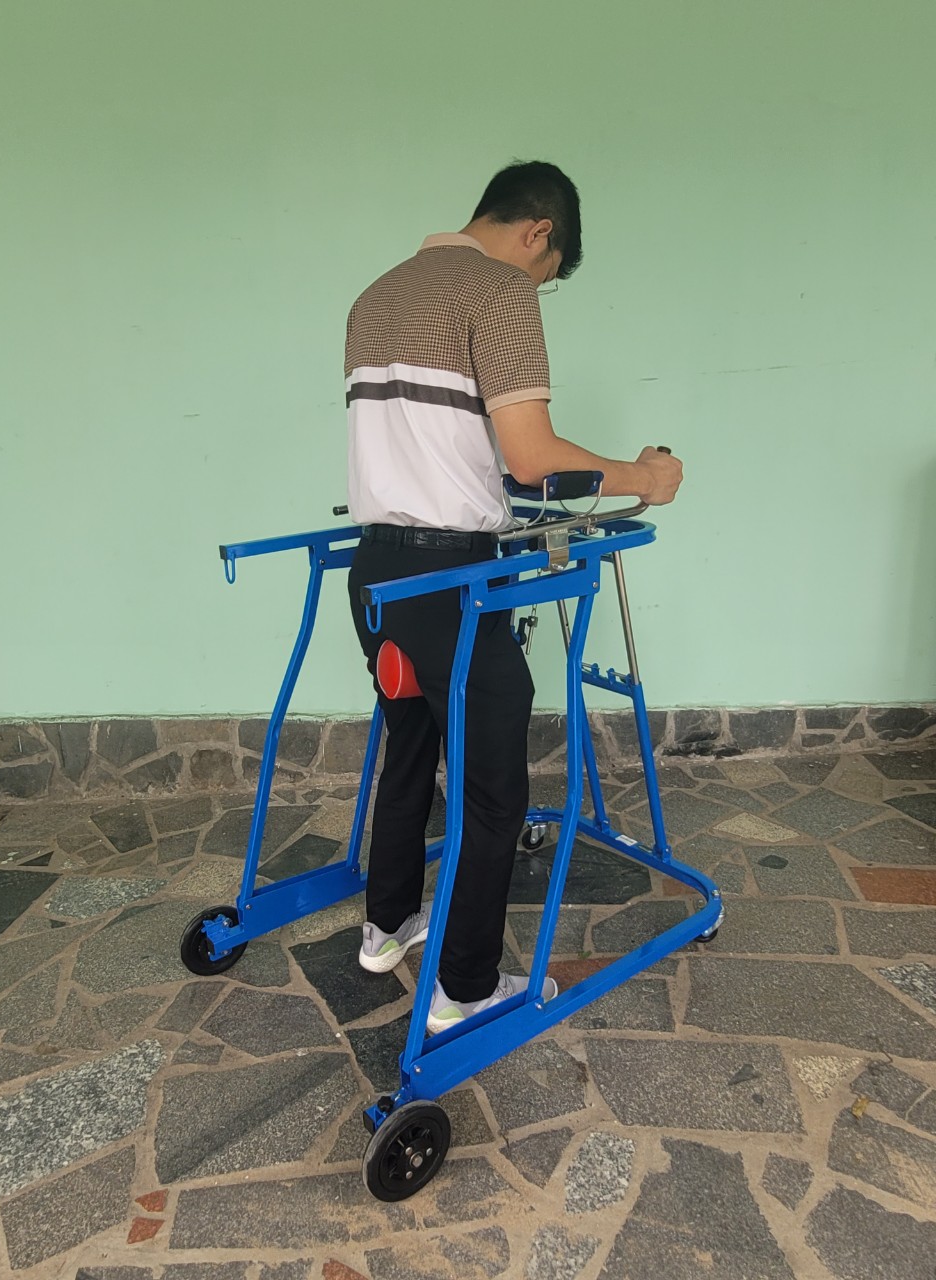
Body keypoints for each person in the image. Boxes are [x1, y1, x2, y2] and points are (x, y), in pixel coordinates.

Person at [345, 161, 682, 1034]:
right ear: (539, 233)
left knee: (411, 745)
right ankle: (466, 989)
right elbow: (530, 458)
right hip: (453, 581)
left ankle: (387, 927)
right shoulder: (497, 291)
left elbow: (444, 443)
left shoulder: (377, 294)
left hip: (377, 571)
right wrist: (641, 475)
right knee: (494, 791)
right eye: (547, 271)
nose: (538, 286)